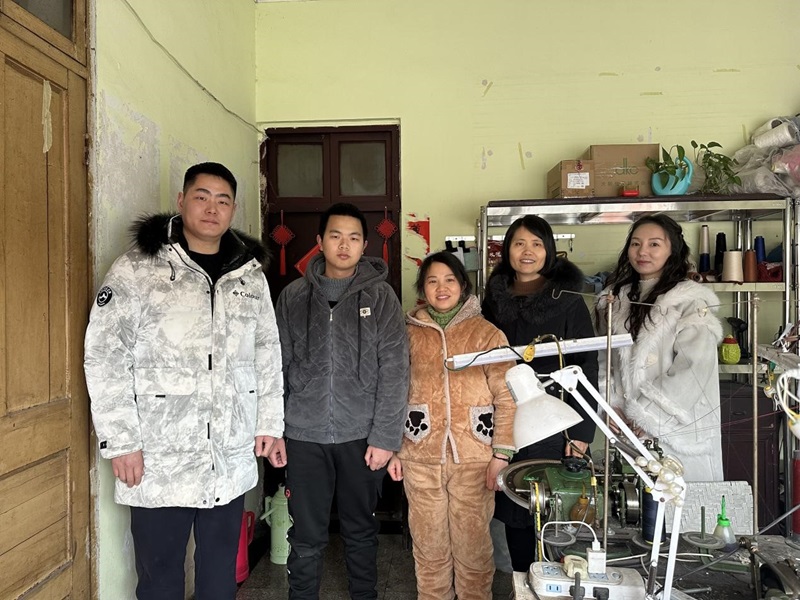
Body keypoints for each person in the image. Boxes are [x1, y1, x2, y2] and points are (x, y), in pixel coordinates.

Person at [84, 162, 284, 599]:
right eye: (201, 197)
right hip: (159, 456)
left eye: (223, 200)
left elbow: (266, 352)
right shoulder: (138, 268)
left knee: (219, 577)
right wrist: (121, 441)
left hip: (228, 454)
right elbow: (104, 354)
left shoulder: (249, 275)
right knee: (159, 579)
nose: (212, 208)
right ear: (181, 201)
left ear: (233, 210)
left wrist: (270, 423)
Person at [270, 202, 409, 600]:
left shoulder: (381, 297)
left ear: (364, 245)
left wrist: (385, 438)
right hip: (304, 436)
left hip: (361, 437)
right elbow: (275, 367)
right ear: (320, 242)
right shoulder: (293, 297)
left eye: (353, 238)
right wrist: (275, 431)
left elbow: (395, 370)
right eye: (335, 236)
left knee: (361, 531)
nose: (344, 245)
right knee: (305, 535)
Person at [388, 251, 516, 600]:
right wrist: (393, 449)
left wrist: (501, 454)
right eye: (432, 281)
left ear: (462, 285)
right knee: (428, 547)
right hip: (419, 455)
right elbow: (391, 392)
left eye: (449, 280)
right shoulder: (406, 334)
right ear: (422, 289)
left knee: (474, 548)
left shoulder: (487, 334)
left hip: (475, 456)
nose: (441, 288)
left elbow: (508, 397)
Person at [482, 215, 598, 572]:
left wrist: (581, 434)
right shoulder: (494, 299)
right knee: (514, 507)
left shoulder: (568, 300)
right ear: (507, 250)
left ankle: (552, 582)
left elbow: (586, 365)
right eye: (519, 243)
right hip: (504, 418)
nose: (527, 252)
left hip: (554, 420)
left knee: (552, 507)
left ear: (549, 250)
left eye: (536, 244)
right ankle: (523, 580)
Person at [596, 215, 724, 481]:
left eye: (654, 244)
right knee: (633, 500)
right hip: (627, 430)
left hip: (678, 430)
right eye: (636, 244)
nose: (642, 252)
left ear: (672, 250)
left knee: (682, 501)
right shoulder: (616, 300)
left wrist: (647, 415)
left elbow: (694, 368)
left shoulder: (689, 301)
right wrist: (611, 407)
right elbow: (604, 359)